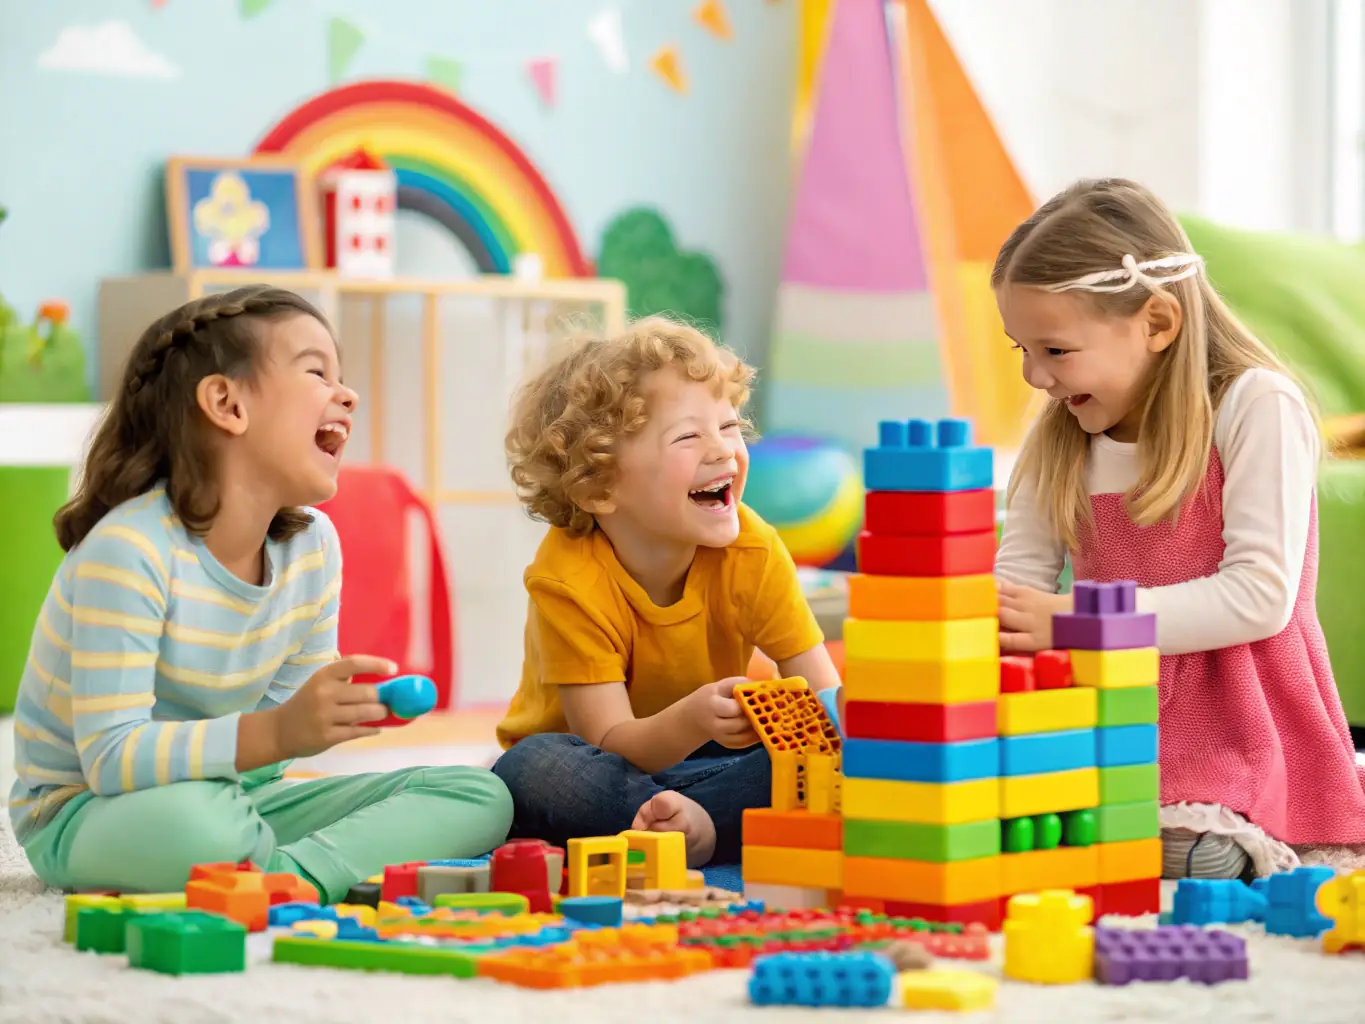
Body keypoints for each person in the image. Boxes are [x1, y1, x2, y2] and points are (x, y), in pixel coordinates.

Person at [8, 286, 511, 898]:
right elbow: (111, 760)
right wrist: (275, 733)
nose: (347, 395)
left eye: (342, 376)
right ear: (227, 403)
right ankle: (281, 867)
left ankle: (291, 877)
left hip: (241, 796)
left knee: (479, 795)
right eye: (317, 372)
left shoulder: (313, 548)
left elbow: (271, 760)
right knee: (205, 825)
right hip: (87, 811)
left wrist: (318, 720)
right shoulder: (129, 550)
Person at [992, 178, 1365, 879]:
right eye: (1020, 349)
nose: (1034, 376)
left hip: (1233, 721)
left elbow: (1259, 597)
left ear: (1157, 323)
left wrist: (1074, 622)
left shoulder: (1254, 405)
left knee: (1181, 855)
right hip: (1105, 713)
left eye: (1054, 350)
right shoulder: (1063, 432)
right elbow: (1015, 582)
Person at [491, 317, 841, 867]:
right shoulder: (567, 579)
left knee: (832, 751)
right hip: (600, 767)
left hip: (711, 765)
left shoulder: (754, 551)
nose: (724, 451)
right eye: (688, 435)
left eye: (729, 427)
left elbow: (828, 707)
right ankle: (688, 823)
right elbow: (606, 738)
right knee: (532, 768)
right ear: (599, 486)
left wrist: (817, 732)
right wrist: (692, 719)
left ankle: (688, 825)